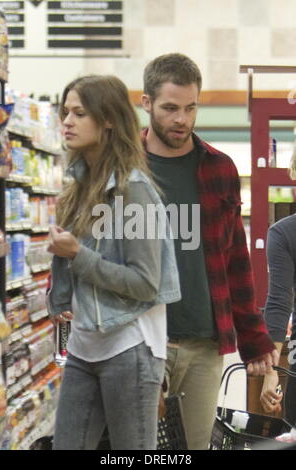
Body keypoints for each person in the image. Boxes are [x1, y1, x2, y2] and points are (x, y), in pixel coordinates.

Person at [141, 53, 278, 450]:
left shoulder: (219, 169)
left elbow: (235, 260)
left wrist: (254, 338)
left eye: (190, 107)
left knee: (195, 447)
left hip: (204, 343)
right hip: (141, 339)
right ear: (147, 103)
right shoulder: (123, 166)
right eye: (170, 108)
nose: (181, 119)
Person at [46, 74, 181, 450]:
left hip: (130, 345)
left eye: (80, 113)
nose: (67, 121)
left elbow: (145, 283)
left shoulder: (134, 191)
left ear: (107, 120)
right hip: (85, 344)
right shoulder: (77, 186)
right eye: (65, 112)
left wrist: (78, 255)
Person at [260, 149, 296, 426]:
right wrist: (271, 369)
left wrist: (271, 371)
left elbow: (279, 303)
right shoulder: (284, 233)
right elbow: (278, 304)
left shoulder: (283, 233)